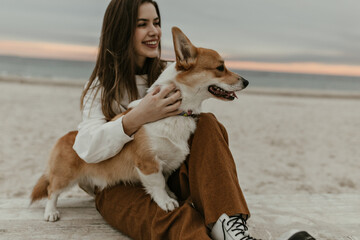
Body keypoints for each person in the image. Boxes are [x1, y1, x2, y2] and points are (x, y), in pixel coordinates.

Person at [73, 0, 316, 240]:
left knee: (208, 123)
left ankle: (230, 225)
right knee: (165, 217)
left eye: (156, 23)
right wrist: (137, 116)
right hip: (117, 185)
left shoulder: (175, 70)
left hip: (171, 174)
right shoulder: (100, 87)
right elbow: (86, 149)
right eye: (142, 24)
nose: (154, 31)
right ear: (121, 29)